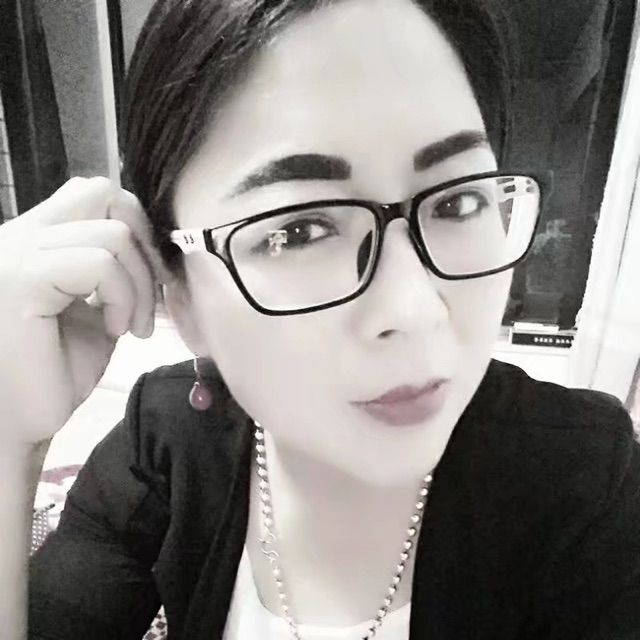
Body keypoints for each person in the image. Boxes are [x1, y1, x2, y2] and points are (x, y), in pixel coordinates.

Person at [0, 0, 638, 638]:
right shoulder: (168, 440)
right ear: (182, 294)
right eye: (299, 231)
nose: (415, 309)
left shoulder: (588, 480)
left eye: (458, 201)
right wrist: (9, 439)